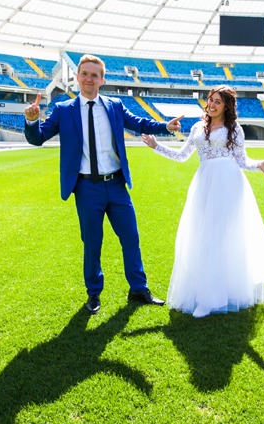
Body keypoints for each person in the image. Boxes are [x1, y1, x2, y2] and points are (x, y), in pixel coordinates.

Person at [24, 54, 183, 314]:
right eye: (84, 73)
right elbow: (38, 138)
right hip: (87, 188)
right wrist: (32, 121)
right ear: (77, 77)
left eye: (94, 75)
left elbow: (139, 123)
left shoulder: (114, 105)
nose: (89, 78)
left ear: (102, 79)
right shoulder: (64, 109)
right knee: (92, 243)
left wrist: (165, 125)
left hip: (116, 185)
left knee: (131, 238)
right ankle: (94, 294)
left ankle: (138, 288)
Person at [141, 85, 264, 318]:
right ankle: (205, 293)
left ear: (227, 105)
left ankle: (214, 298)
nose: (213, 104)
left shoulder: (234, 129)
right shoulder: (198, 127)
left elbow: (242, 160)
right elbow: (182, 156)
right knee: (203, 237)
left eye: (218, 101)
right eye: (211, 100)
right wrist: (156, 146)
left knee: (222, 237)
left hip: (229, 185)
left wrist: (259, 165)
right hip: (204, 185)